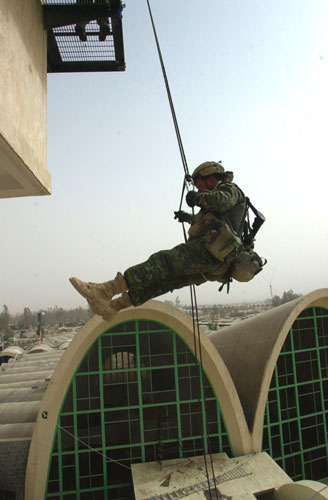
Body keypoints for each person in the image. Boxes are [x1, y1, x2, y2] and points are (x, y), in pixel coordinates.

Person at [70, 161, 247, 321]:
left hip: (211, 254)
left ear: (210, 177)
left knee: (162, 262)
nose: (199, 189)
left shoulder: (230, 189)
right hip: (217, 262)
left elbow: (221, 202)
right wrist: (187, 217)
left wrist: (197, 198)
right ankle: (113, 308)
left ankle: (105, 291)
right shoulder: (218, 197)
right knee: (165, 281)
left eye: (200, 185)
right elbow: (208, 224)